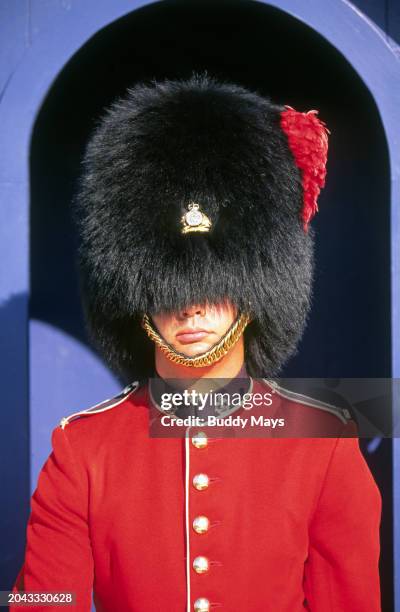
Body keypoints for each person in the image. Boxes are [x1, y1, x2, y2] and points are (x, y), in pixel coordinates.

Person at [12, 75, 381, 611]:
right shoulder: (83, 449)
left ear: (257, 289)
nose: (190, 305)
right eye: (167, 286)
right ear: (137, 295)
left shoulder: (323, 444)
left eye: (215, 284)